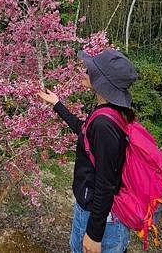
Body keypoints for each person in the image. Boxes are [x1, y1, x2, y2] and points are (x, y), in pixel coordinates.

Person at [37, 49, 138, 253]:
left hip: (99, 218)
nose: (84, 72)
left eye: (90, 70)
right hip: (96, 212)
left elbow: (105, 183)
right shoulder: (107, 113)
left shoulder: (104, 125)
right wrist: (57, 105)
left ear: (103, 82)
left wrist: (93, 234)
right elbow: (83, 131)